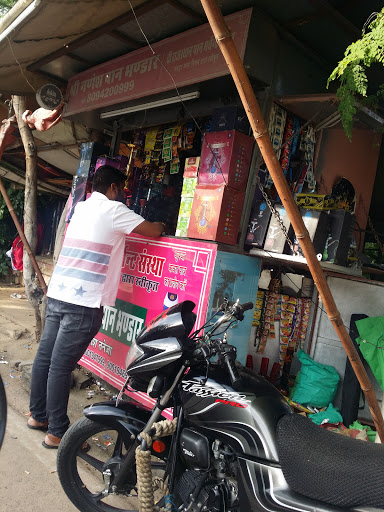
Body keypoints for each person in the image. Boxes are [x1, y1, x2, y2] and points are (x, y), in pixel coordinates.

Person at [27, 165, 165, 448]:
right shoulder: (114, 210)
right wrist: (162, 225)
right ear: (114, 188)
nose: (123, 196)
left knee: (46, 357)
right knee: (61, 366)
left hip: (59, 294)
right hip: (82, 303)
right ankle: (58, 432)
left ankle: (38, 416)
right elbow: (152, 231)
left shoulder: (82, 207)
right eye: (122, 190)